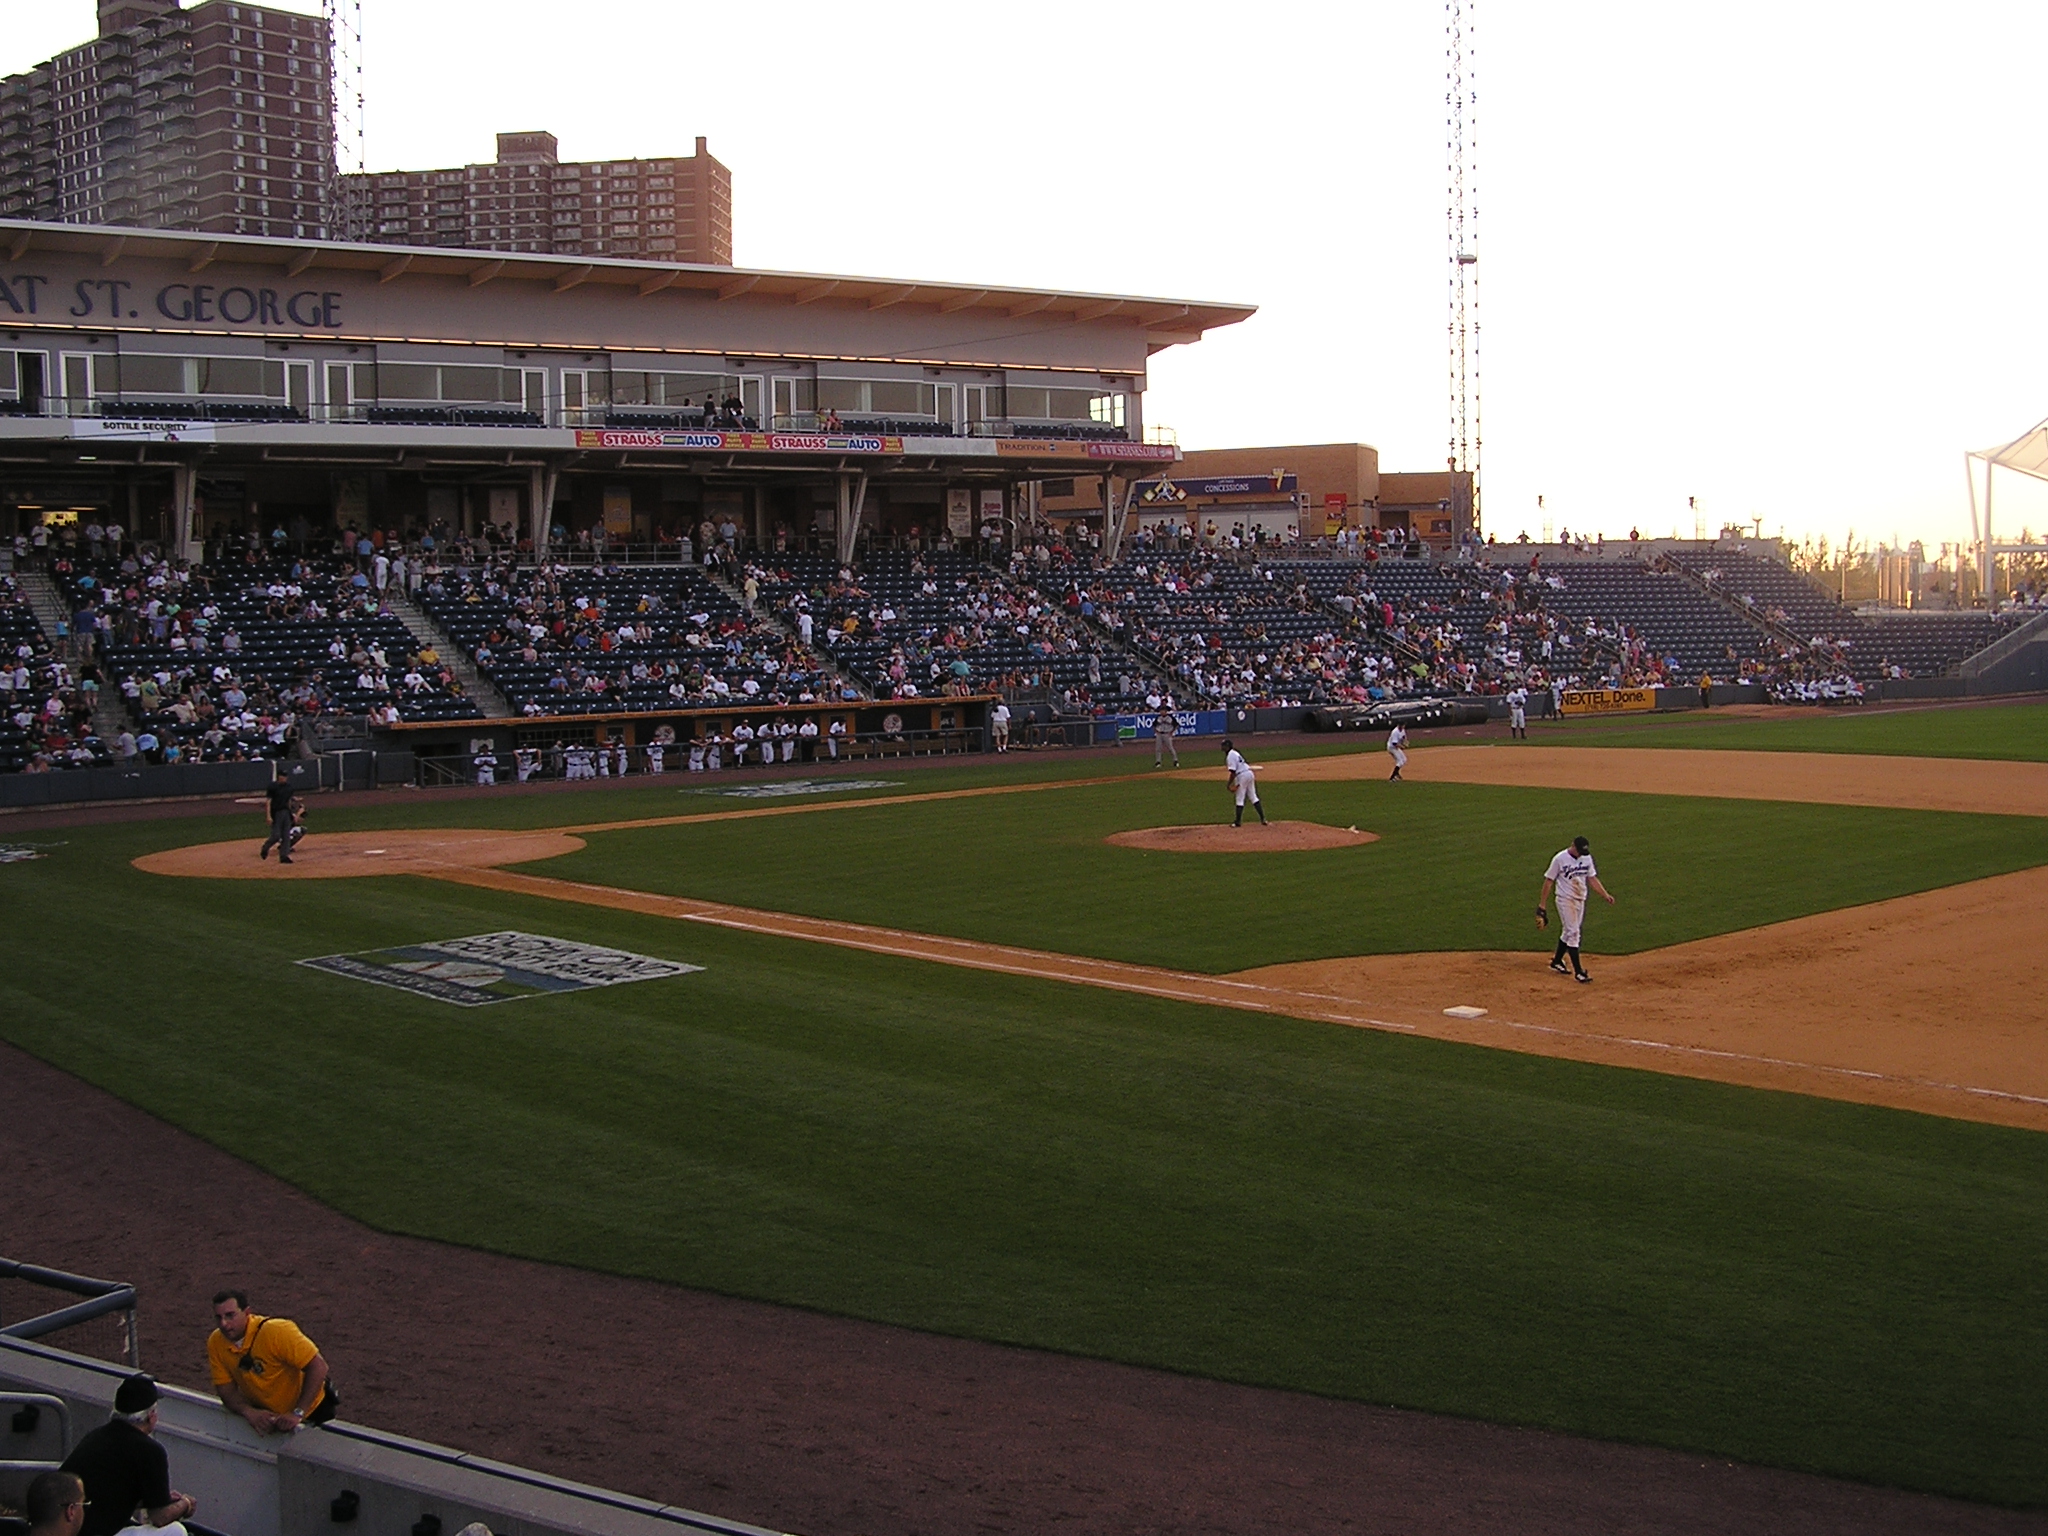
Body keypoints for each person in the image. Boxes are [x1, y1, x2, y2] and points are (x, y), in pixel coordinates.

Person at [59, 1375, 196, 1536]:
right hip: (96, 1531)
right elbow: (160, 1517)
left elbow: (108, 1496)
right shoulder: (150, 1450)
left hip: (65, 1527)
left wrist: (156, 1499)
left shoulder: (96, 1436)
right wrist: (185, 1504)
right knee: (176, 1531)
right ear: (151, 1416)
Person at [207, 1290, 334, 1435]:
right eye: (218, 1318)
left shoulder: (276, 1331)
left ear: (247, 1312)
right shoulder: (216, 1342)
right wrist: (249, 1412)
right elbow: (226, 1390)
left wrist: (298, 1413)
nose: (224, 1324)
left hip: (313, 1412)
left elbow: (318, 1366)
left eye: (230, 1315)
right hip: (270, 1420)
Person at [1536, 835, 1616, 983]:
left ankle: (1557, 961)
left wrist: (1605, 895)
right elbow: (1548, 881)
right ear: (1572, 846)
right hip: (1565, 900)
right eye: (1579, 851)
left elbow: (1592, 878)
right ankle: (1579, 972)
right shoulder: (1560, 859)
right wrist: (1542, 905)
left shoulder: (1586, 858)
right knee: (1574, 932)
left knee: (1569, 931)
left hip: (1580, 900)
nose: (1581, 854)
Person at [1221, 738, 1266, 827]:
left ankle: (1237, 822)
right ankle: (1263, 819)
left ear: (1228, 746)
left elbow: (1233, 772)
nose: (1222, 747)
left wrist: (1229, 784)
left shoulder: (1230, 755)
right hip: (1249, 773)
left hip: (1242, 776)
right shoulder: (1235, 752)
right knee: (1253, 797)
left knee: (1239, 798)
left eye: (1224, 746)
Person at [258, 767, 297, 864]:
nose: (284, 778)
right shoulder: (273, 787)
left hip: (286, 812)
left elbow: (288, 801)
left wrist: (291, 813)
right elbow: (269, 801)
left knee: (286, 836)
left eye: (285, 776)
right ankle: (265, 847)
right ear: (278, 777)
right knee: (276, 835)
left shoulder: (289, 787)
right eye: (282, 776)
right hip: (276, 813)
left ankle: (284, 856)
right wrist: (268, 816)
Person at [1152, 693, 1180, 768]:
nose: (1162, 712)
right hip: (1159, 734)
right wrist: (1156, 732)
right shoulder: (1158, 718)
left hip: (1167, 734)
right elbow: (1154, 725)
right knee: (1158, 749)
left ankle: (1175, 761)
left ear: (1166, 711)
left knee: (1170, 748)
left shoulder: (1170, 718)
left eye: (1163, 710)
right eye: (1161, 710)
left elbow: (1176, 725)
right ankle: (1158, 762)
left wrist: (1172, 732)